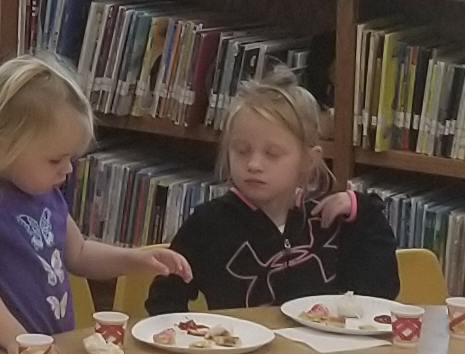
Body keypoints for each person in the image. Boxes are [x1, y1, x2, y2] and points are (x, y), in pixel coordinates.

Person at [0, 53, 189, 354]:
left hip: (46, 351)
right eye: (55, 160)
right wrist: (17, 339)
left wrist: (135, 259)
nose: (68, 169)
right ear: (4, 146)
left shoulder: (46, 192)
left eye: (70, 158)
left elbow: (80, 253)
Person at [151, 78, 400, 312]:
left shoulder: (329, 218)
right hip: (243, 344)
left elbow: (381, 292)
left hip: (320, 345)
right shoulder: (208, 225)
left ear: (308, 160)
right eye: (241, 151)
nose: (254, 164)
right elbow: (163, 299)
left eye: (272, 154)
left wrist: (365, 212)